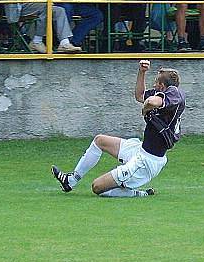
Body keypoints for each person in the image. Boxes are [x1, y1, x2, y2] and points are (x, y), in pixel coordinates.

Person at [52, 59, 184, 197]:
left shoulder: (175, 93)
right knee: (100, 141)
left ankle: (139, 194)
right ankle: (70, 180)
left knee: (97, 187)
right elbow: (140, 95)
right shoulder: (163, 93)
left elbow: (151, 102)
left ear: (162, 85)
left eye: (156, 82)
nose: (154, 84)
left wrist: (145, 109)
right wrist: (142, 72)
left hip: (147, 161)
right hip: (139, 149)